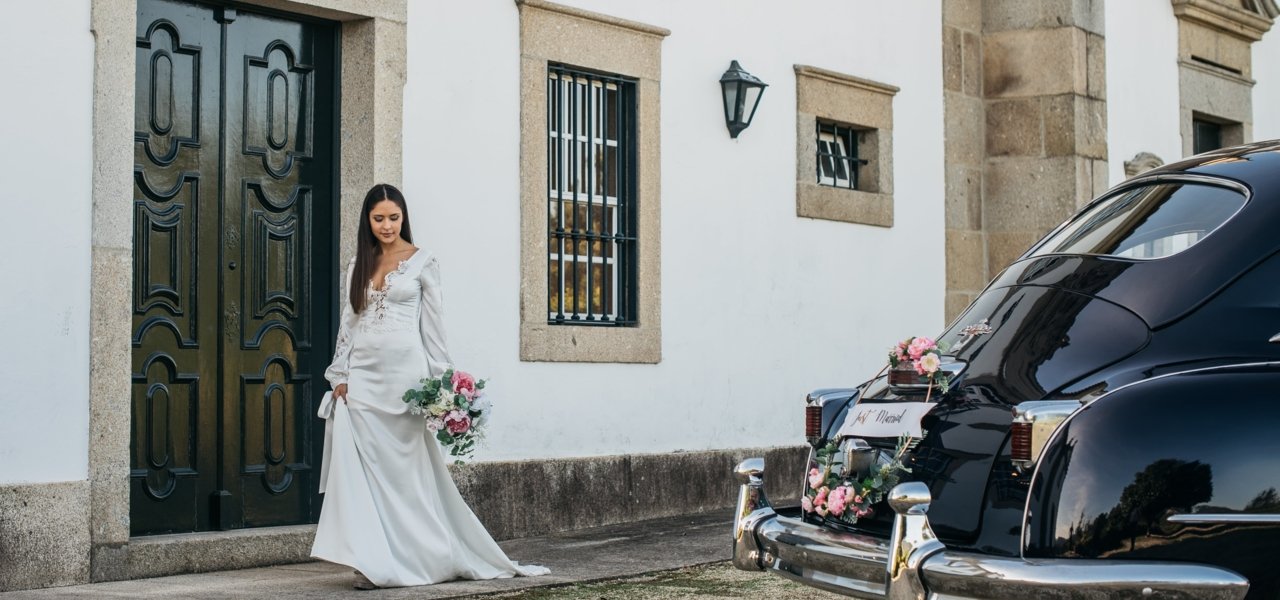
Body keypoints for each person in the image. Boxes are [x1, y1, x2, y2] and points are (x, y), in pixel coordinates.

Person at [310, 183, 548, 590]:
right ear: (367, 221)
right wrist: (340, 376)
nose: (387, 225)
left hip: (405, 381)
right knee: (367, 474)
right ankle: (373, 560)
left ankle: (428, 554)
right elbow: (348, 326)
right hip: (363, 382)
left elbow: (433, 331)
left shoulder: (423, 261)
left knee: (405, 473)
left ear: (404, 217)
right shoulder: (358, 264)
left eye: (394, 217)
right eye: (378, 218)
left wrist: (446, 387)